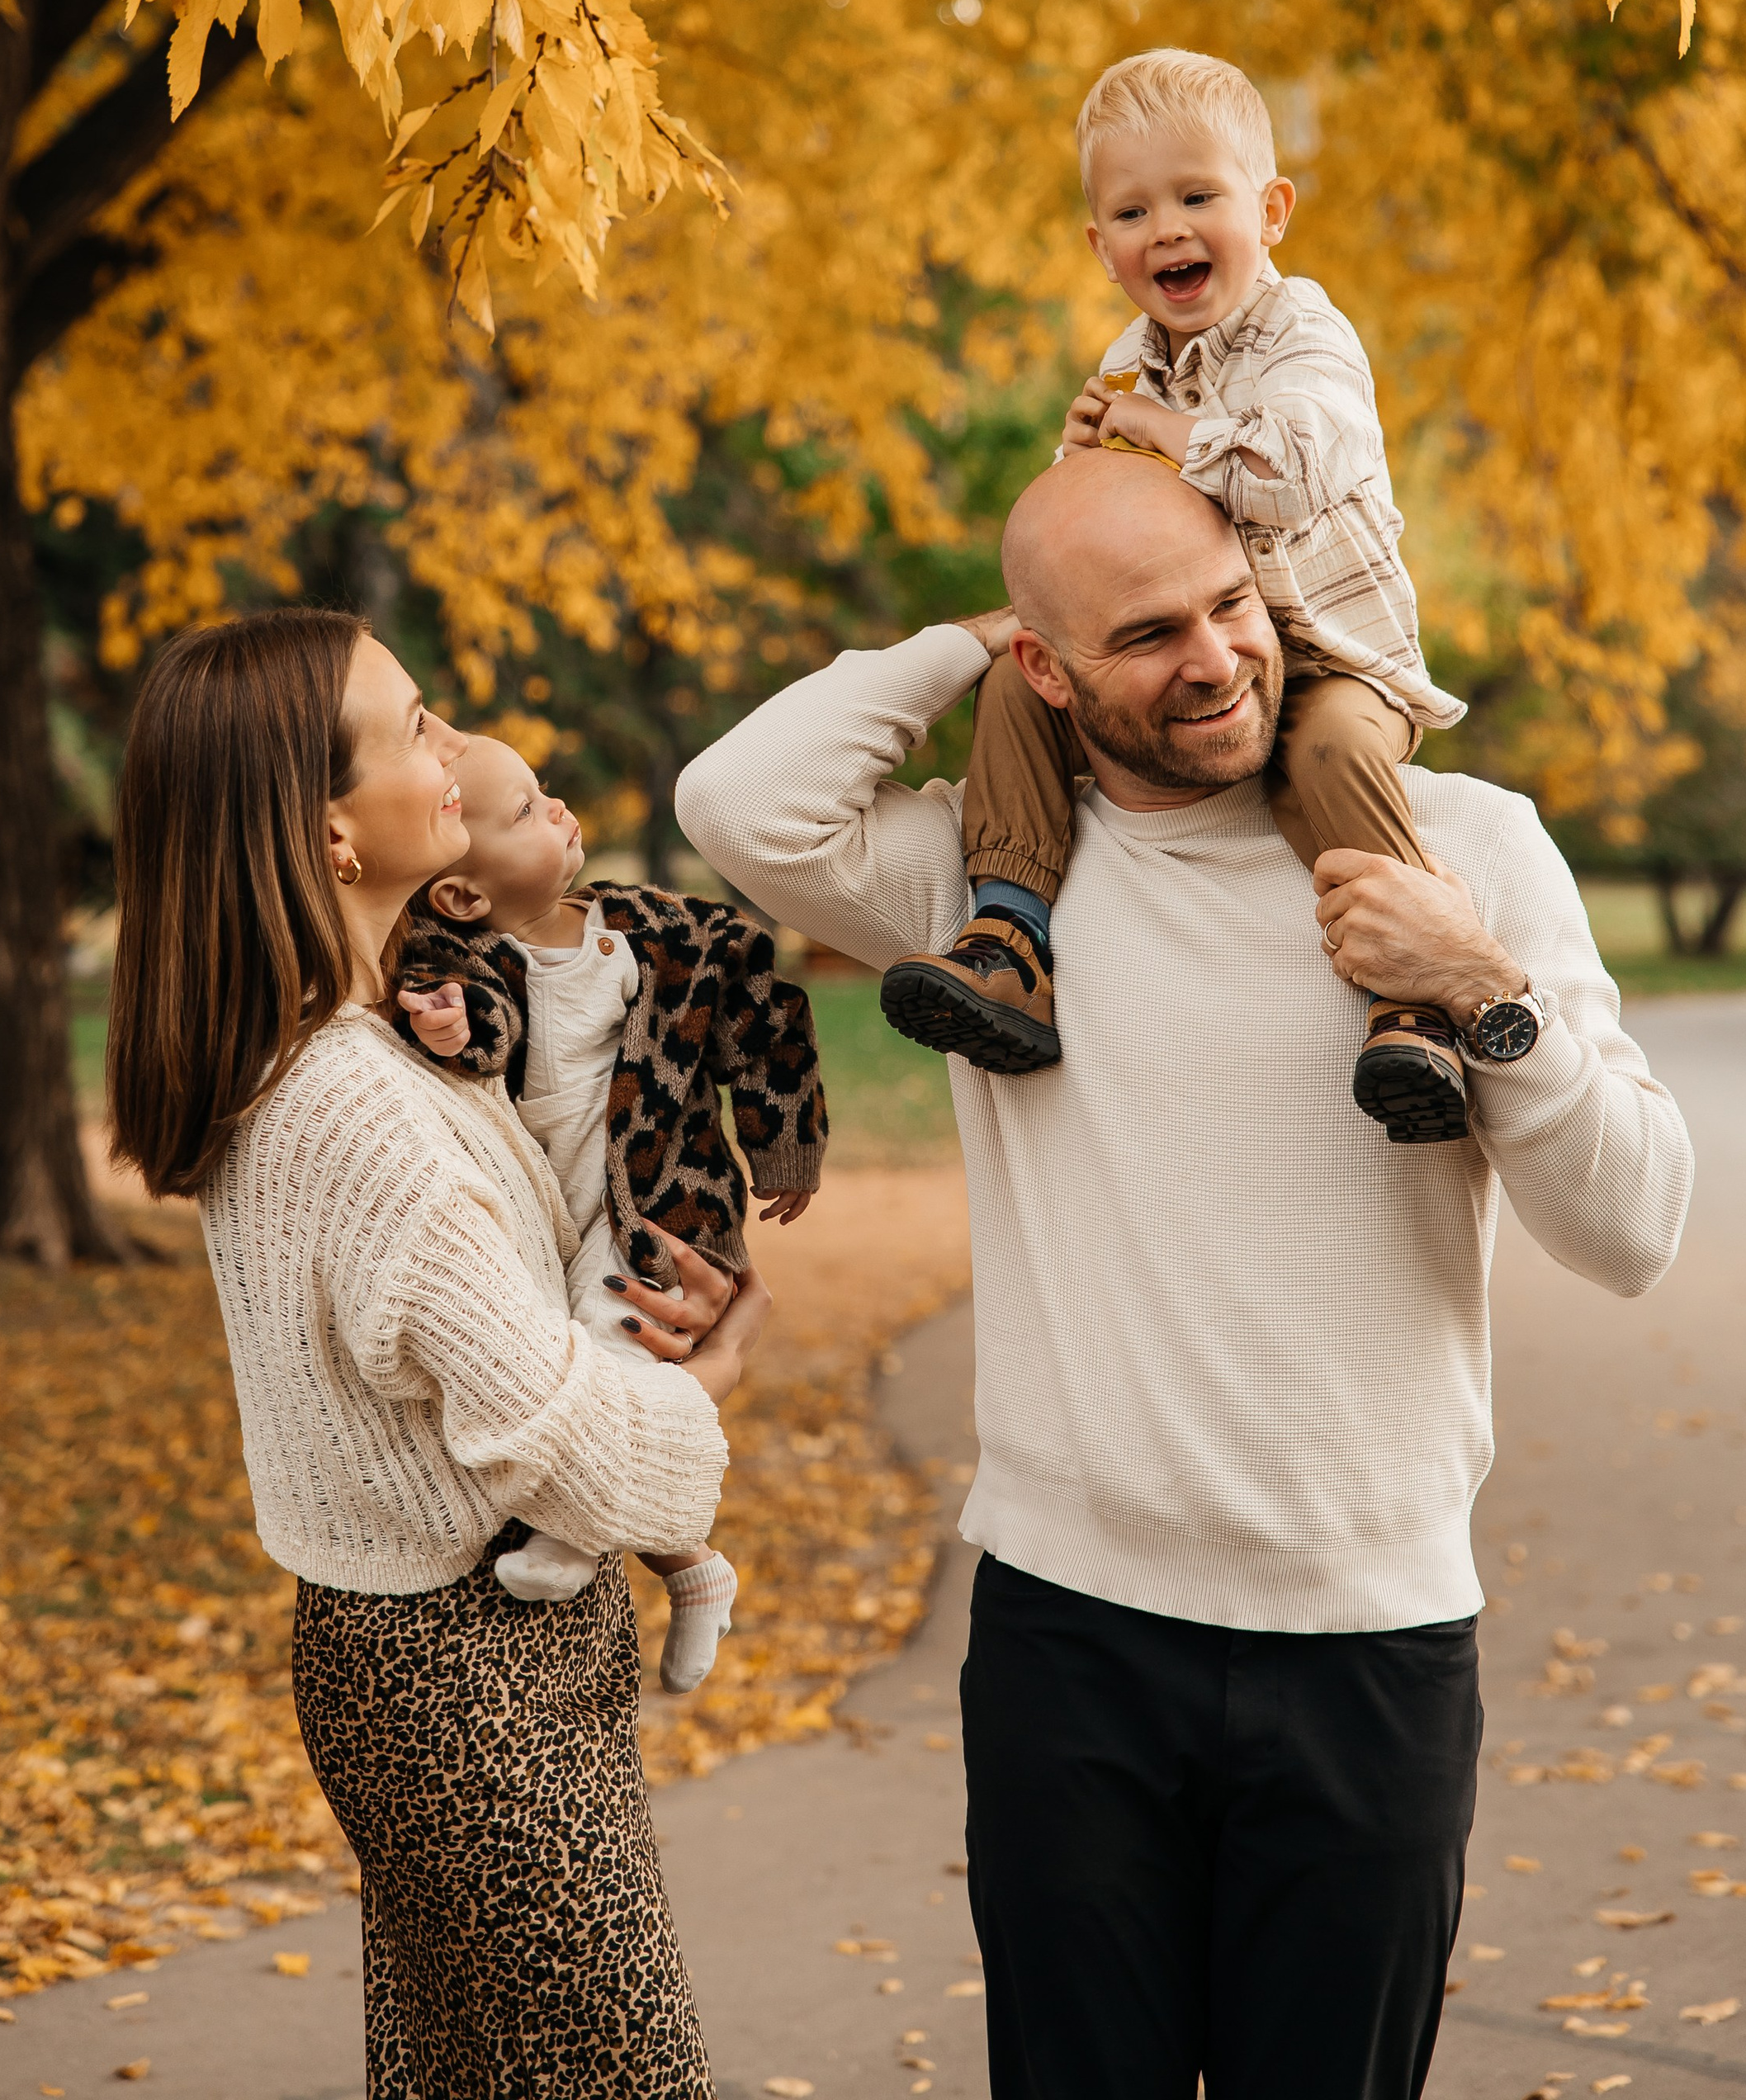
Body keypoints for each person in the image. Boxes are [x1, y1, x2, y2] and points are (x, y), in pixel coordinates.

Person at [673, 455, 1693, 2100]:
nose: (1214, 659)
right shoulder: (980, 892)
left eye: (1229, 605)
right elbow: (737, 802)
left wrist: (1490, 999)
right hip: (1068, 1642)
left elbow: (1633, 1230)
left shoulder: (1464, 846)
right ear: (1041, 667)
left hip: (1368, 1638)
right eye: (1142, 634)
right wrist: (965, 634)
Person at [106, 609, 769, 2100]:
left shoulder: (362, 1042)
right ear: (329, 832)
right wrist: (713, 1375)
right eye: (412, 726)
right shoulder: (358, 1116)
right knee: (616, 2079)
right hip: (465, 1681)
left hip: (435, 1664)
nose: (450, 745)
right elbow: (567, 1443)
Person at [878, 45, 1475, 1142]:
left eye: (1199, 196)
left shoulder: (1308, 337)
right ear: (1101, 246)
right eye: (1134, 209)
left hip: (1331, 656)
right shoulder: (1124, 366)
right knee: (1029, 683)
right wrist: (1079, 470)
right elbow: (1087, 549)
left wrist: (1165, 436)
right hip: (1185, 658)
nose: (1169, 228)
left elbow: (1291, 473)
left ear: (1272, 209)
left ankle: (1415, 1001)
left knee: (1334, 755)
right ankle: (1008, 940)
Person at [390, 731, 827, 1692]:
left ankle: (571, 1536)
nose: (558, 810)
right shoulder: (460, 955)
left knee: (609, 1332)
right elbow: (475, 1034)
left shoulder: (659, 931)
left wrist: (783, 1144)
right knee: (546, 1364)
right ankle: (692, 1564)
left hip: (658, 1197)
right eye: (523, 813)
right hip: (546, 1207)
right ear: (465, 894)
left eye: (546, 794)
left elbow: (764, 1011)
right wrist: (450, 1025)